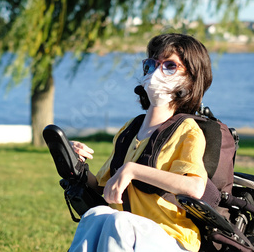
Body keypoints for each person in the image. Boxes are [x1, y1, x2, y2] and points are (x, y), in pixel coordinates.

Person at [69, 33, 213, 252]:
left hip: (172, 237)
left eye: (170, 66)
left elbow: (194, 187)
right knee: (96, 215)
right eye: (152, 64)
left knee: (120, 222)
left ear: (190, 79)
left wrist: (133, 170)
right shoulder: (130, 129)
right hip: (127, 232)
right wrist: (73, 163)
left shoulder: (187, 131)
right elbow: (102, 187)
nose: (156, 72)